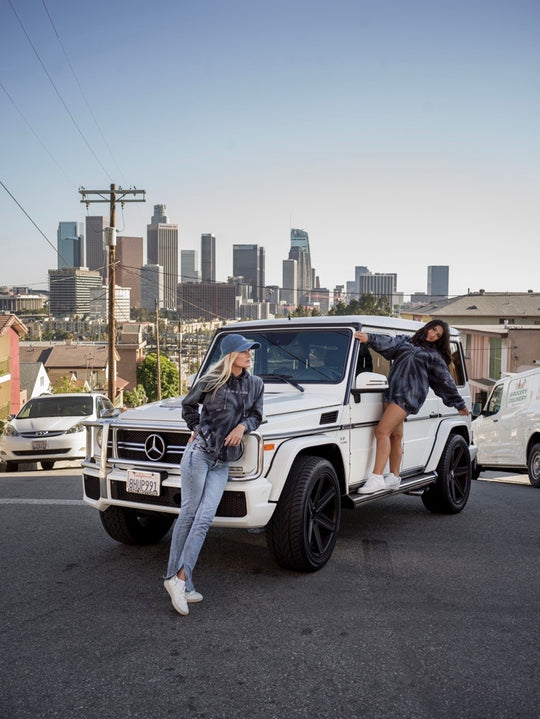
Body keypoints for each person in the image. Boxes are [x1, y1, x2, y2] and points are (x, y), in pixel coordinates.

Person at [164, 334, 264, 615]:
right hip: (199, 454)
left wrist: (242, 427)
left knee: (205, 518)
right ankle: (180, 580)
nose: (249, 355)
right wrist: (196, 428)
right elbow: (187, 406)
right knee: (189, 514)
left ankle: (178, 580)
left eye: (250, 350)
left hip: (223, 461)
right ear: (232, 355)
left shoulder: (255, 384)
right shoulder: (211, 381)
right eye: (245, 350)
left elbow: (256, 415)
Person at [353, 320, 469, 494]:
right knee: (396, 436)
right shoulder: (405, 341)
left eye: (437, 335)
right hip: (391, 392)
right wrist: (369, 338)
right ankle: (394, 478)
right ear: (428, 327)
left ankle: (377, 477)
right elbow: (388, 343)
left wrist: (459, 403)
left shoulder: (434, 356)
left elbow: (445, 382)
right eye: (433, 330)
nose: (433, 335)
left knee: (381, 432)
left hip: (408, 397)